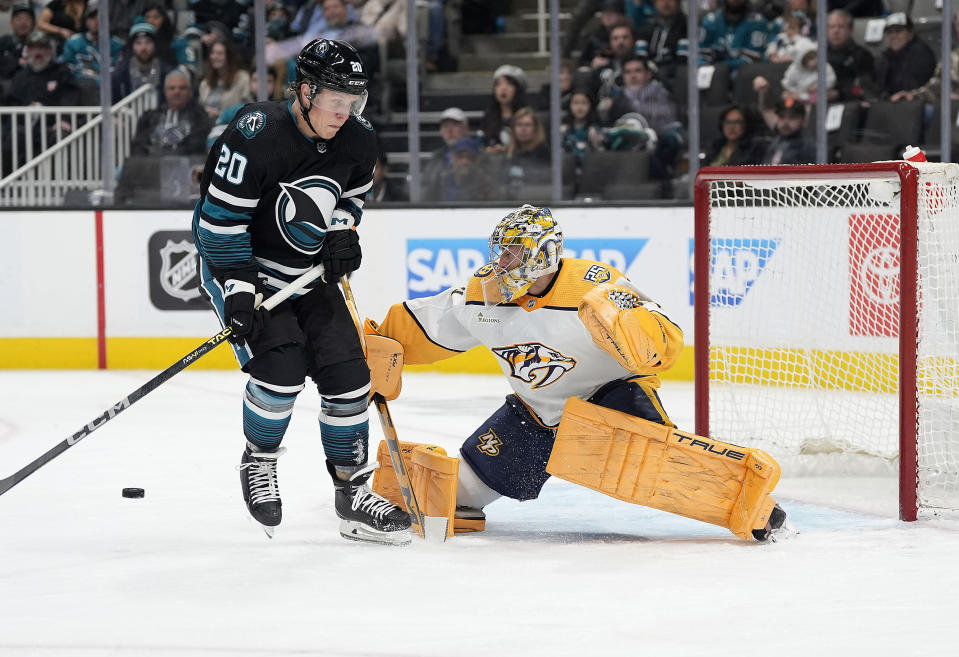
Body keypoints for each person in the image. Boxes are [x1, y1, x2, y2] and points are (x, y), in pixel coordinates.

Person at [365, 204, 791, 542]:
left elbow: (665, 342)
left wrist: (635, 331)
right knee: (460, 496)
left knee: (667, 472)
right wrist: (372, 345)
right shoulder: (484, 294)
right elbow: (425, 326)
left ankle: (755, 507)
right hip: (538, 415)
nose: (504, 262)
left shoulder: (595, 285)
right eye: (502, 251)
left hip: (612, 398)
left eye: (515, 252)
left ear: (545, 253)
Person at [191, 38, 411, 545]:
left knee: (350, 377)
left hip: (308, 274)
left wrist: (340, 233)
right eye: (336, 100)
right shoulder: (255, 134)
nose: (345, 112)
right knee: (281, 370)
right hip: (245, 268)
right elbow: (218, 227)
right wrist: (241, 290)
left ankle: (352, 493)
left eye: (352, 101)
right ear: (306, 90)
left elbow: (351, 197)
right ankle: (260, 460)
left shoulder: (357, 138)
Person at [130, 69, 211, 156]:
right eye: (172, 88)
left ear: (189, 92)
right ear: (165, 92)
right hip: (151, 165)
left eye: (182, 88)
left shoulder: (200, 118)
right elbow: (139, 146)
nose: (177, 92)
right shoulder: (148, 118)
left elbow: (197, 147)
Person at [60, 0, 123, 104]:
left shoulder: (116, 44)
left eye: (101, 16)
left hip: (109, 91)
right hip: (80, 91)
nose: (97, 21)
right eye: (92, 17)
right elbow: (66, 69)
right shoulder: (73, 42)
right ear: (86, 20)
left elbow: (118, 71)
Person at [876, 12, 937, 103]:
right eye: (889, 32)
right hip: (893, 104)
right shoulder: (887, 56)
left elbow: (914, 87)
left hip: (915, 104)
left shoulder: (921, 53)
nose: (893, 36)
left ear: (910, 32)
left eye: (898, 31)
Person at [699, 0, 768, 73]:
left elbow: (753, 60)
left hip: (743, 75)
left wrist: (721, 67)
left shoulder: (757, 22)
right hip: (714, 74)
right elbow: (702, 55)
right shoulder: (711, 21)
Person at [111, 21, 174, 102]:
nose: (143, 48)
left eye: (148, 42)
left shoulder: (167, 71)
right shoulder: (120, 73)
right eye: (138, 43)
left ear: (155, 45)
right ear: (132, 46)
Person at [825, 8, 878, 102]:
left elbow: (863, 89)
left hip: (849, 104)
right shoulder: (818, 54)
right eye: (832, 27)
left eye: (841, 27)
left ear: (851, 30)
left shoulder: (862, 56)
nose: (835, 31)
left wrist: (838, 94)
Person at [422, 106, 473, 201]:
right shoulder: (436, 158)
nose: (450, 130)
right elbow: (427, 189)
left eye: (454, 125)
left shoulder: (478, 154)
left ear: (466, 129)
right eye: (445, 126)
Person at [197, 36, 252, 120]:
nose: (215, 56)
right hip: (208, 127)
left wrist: (221, 115)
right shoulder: (205, 83)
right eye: (213, 53)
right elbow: (200, 109)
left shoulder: (242, 78)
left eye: (220, 53)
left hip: (232, 127)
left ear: (229, 56)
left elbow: (249, 109)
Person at [481, 64, 528, 152]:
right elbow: (483, 145)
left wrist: (508, 150)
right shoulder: (488, 117)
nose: (503, 88)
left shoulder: (528, 116)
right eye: (498, 84)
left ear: (518, 89)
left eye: (509, 84)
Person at [759, 98, 815, 165]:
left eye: (792, 117)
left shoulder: (807, 147)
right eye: (782, 117)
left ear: (803, 121)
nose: (785, 122)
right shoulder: (776, 142)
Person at [0, 2, 34, 79]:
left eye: (27, 18)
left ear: (33, 24)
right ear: (11, 22)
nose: (23, 23)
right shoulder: (3, 42)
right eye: (18, 18)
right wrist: (17, 62)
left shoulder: (38, 44)